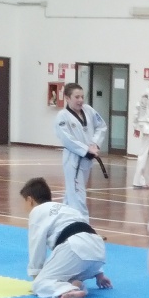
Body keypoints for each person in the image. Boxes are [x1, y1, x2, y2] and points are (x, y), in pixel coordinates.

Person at [21, 176, 112, 298]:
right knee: (65, 273)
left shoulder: (37, 211)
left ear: (29, 200)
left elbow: (36, 246)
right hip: (98, 253)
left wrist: (37, 277)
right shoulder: (67, 208)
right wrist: (99, 274)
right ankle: (76, 284)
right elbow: (86, 235)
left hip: (75, 249)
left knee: (40, 285)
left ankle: (69, 290)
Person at [54, 83, 107, 218]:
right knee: (77, 195)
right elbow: (67, 139)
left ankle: (62, 222)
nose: (80, 100)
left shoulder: (88, 110)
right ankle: (83, 225)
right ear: (67, 98)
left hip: (87, 158)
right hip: (74, 159)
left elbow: (101, 126)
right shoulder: (62, 116)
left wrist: (95, 144)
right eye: (77, 97)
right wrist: (86, 149)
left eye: (82, 97)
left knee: (71, 193)